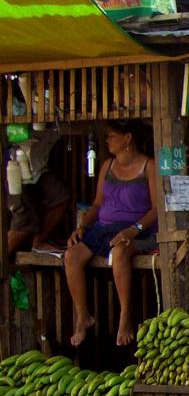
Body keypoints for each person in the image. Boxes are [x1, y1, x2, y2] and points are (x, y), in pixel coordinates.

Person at [65, 120, 158, 347]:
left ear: (128, 138)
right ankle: (83, 317)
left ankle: (125, 316)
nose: (107, 140)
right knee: (71, 256)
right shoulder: (107, 166)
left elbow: (157, 209)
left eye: (112, 136)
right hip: (103, 229)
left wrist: (133, 230)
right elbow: (97, 204)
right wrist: (82, 226)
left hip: (138, 230)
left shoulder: (149, 166)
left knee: (119, 254)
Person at [6, 127, 70, 255]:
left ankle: (38, 241)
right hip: (14, 165)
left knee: (60, 197)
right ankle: (3, 258)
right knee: (25, 216)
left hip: (38, 167)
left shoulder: (55, 117)